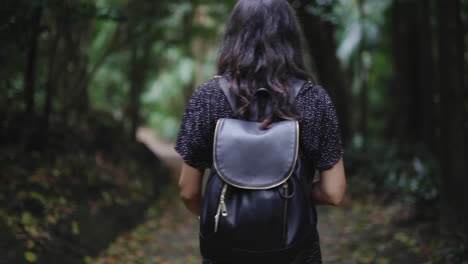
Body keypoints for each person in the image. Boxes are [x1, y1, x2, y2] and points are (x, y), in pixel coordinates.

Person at [174, 0, 346, 263]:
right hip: (295, 253)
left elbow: (188, 191)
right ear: (290, 37)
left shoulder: (207, 97)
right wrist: (288, 194)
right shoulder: (314, 99)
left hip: (225, 253)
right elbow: (333, 193)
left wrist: (227, 213)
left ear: (233, 35)